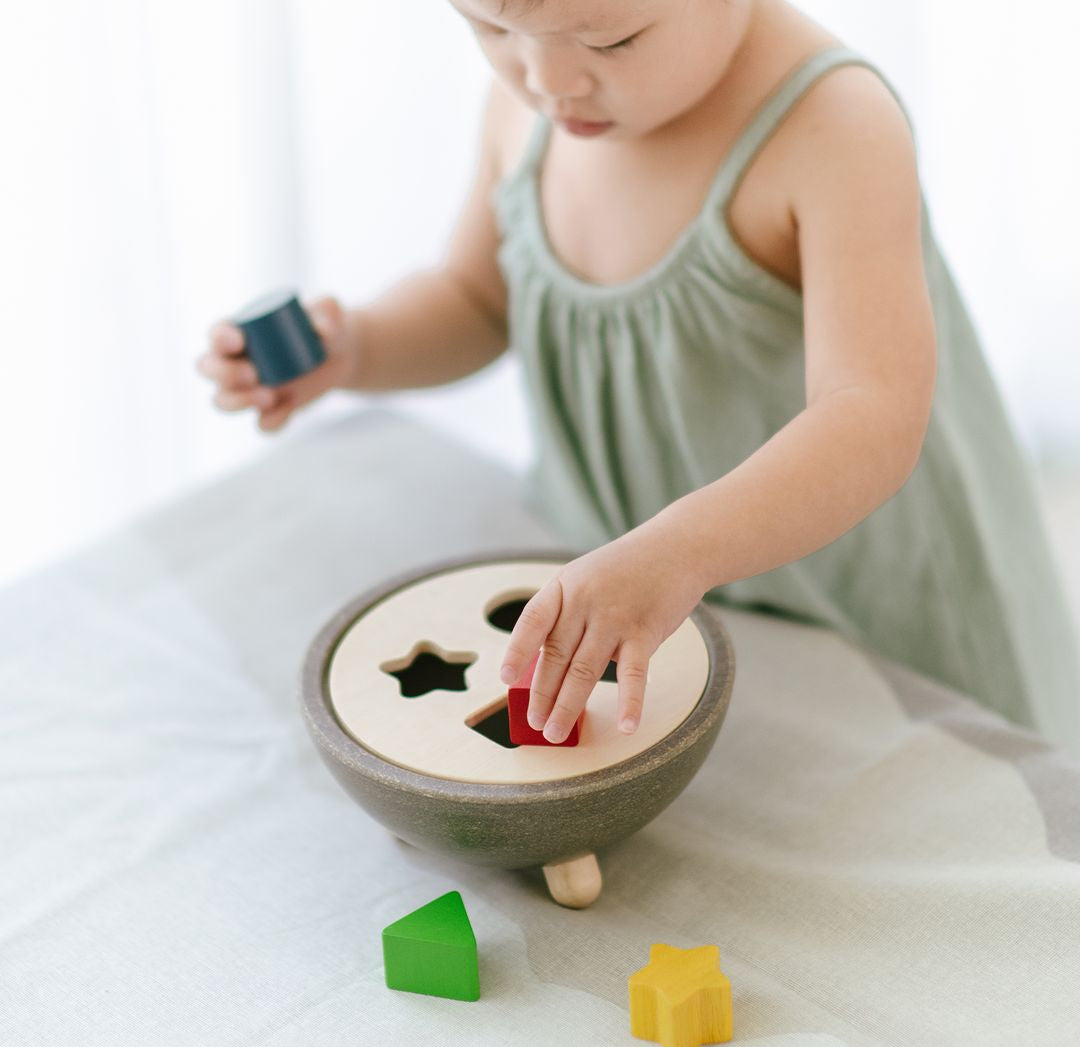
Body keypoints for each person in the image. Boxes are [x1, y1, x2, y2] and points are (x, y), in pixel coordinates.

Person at [196, 0, 1079, 751]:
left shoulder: (831, 127)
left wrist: (681, 550)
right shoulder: (528, 108)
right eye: (489, 28)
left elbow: (872, 414)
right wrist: (359, 349)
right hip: (649, 600)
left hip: (858, 603)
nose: (548, 82)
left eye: (613, 41)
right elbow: (474, 298)